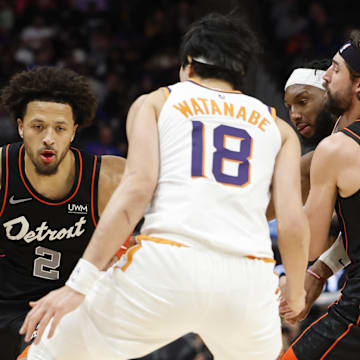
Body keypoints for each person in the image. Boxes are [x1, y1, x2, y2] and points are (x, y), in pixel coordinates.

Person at [24, 13, 309, 360]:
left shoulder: (157, 102)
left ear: (188, 64)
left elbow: (136, 193)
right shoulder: (279, 129)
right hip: (248, 274)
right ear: (242, 71)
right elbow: (293, 222)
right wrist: (295, 292)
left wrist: (78, 285)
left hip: (167, 261)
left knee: (48, 352)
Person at [0, 66, 127, 360]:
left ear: (73, 131)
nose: (48, 138)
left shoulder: (108, 178)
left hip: (69, 309)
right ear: (20, 127)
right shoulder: (3, 171)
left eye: (59, 128)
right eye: (37, 126)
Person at [281, 30, 360, 359]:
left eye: (336, 69)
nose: (328, 76)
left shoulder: (334, 150)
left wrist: (301, 277)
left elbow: (308, 243)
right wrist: (321, 270)